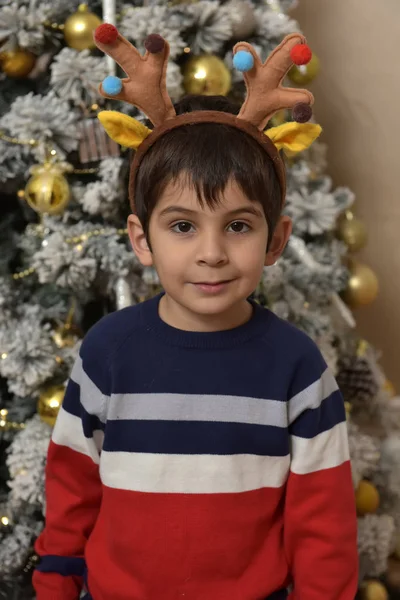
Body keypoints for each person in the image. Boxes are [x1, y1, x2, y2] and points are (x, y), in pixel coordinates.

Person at [33, 25, 358, 600]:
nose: (211, 252)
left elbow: (323, 529)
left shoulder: (298, 368)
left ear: (275, 240)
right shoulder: (108, 353)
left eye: (237, 226)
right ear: (141, 238)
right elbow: (71, 493)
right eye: (182, 226)